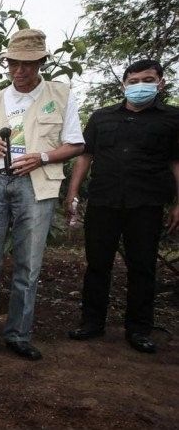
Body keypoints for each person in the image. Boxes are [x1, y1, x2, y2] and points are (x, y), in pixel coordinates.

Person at [0, 28, 85, 360]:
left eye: (29, 64)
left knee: (28, 265)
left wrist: (42, 156)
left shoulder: (61, 96)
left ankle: (19, 334)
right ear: (7, 63)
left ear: (42, 62)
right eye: (14, 63)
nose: (20, 71)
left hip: (37, 184)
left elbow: (76, 144)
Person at [66, 59, 179, 353]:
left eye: (148, 80)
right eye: (134, 81)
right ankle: (92, 322)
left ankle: (139, 329)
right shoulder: (102, 118)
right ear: (124, 85)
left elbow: (176, 162)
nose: (140, 86)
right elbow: (85, 157)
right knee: (97, 264)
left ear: (160, 83)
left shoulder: (172, 119)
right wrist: (73, 193)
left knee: (142, 266)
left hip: (146, 203)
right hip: (104, 200)